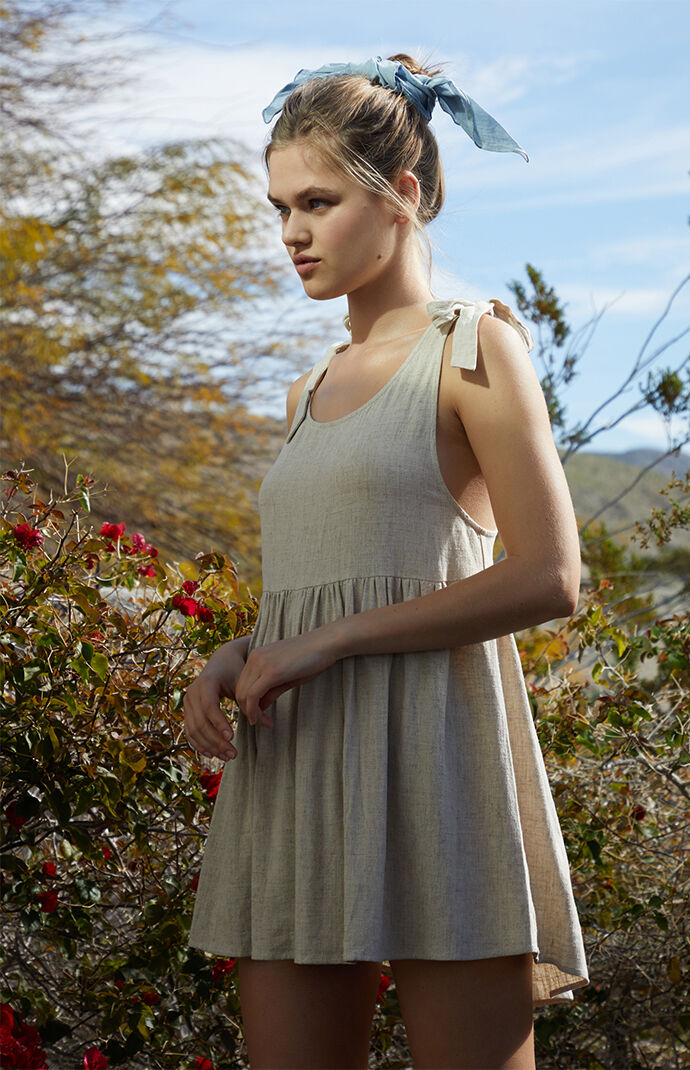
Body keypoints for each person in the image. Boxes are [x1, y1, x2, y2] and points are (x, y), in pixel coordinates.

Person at [184, 54, 589, 1070]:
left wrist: (328, 641)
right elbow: (329, 578)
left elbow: (551, 574)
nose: (292, 232)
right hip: (298, 770)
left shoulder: (473, 345)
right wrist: (245, 647)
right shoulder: (306, 388)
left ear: (402, 196)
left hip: (439, 769)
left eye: (318, 201)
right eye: (280, 205)